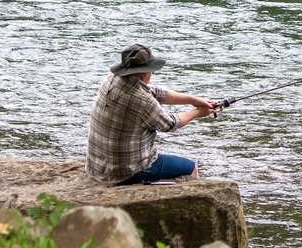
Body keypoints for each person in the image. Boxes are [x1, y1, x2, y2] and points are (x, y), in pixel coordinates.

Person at [85, 43, 216, 185]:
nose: (152, 73)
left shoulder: (111, 79)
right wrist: (197, 112)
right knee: (191, 167)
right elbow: (169, 123)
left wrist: (193, 100)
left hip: (97, 167)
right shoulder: (142, 100)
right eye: (151, 70)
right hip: (128, 171)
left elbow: (154, 91)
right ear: (143, 73)